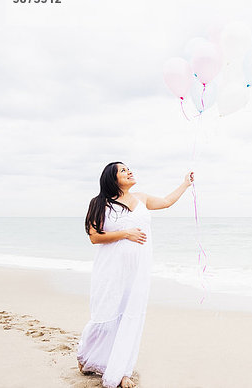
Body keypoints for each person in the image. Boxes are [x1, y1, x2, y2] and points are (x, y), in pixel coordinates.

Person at [77, 161, 194, 388]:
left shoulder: (142, 198)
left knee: (130, 317)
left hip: (137, 272)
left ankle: (120, 370)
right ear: (112, 178)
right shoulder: (99, 203)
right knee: (104, 316)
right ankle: (87, 356)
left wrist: (185, 184)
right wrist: (125, 234)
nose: (129, 171)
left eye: (128, 168)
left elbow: (167, 202)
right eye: (123, 170)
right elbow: (94, 237)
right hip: (110, 271)